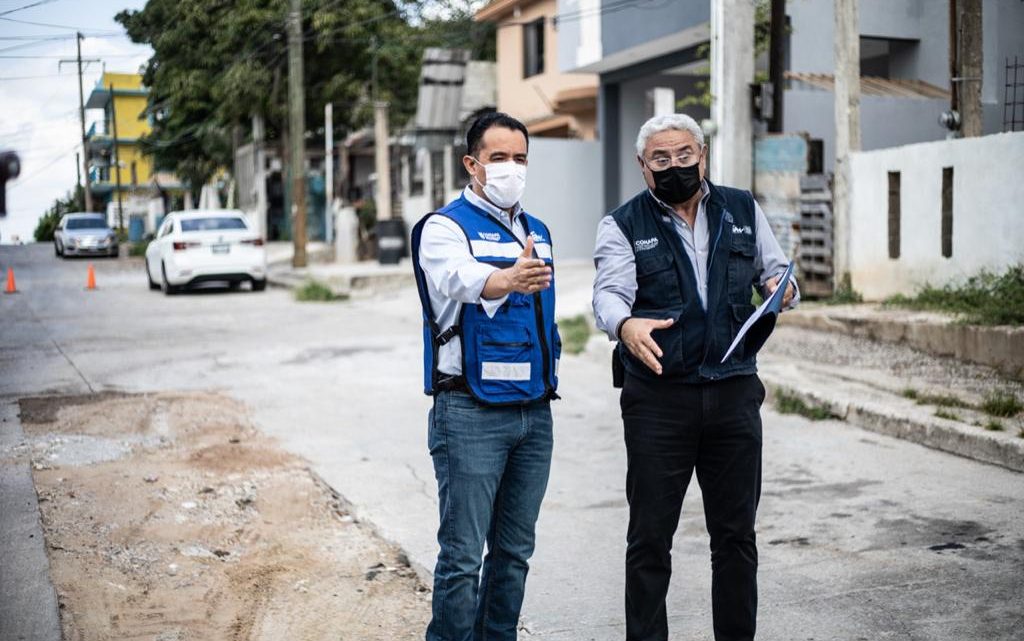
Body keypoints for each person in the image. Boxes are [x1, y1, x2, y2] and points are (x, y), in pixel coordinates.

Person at [592, 113, 798, 641]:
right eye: (661, 159)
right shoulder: (622, 224)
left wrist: (781, 287)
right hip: (659, 401)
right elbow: (608, 294)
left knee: (735, 538)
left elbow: (772, 270)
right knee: (649, 540)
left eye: (685, 155)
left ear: (703, 155)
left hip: (733, 393)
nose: (675, 166)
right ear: (644, 167)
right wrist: (625, 322)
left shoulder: (742, 209)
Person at [411, 112, 562, 641]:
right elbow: (458, 276)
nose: (511, 169)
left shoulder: (537, 230)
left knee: (514, 554)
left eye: (520, 158)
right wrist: (505, 278)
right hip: (468, 411)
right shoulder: (443, 227)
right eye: (499, 158)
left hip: (533, 411)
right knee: (461, 558)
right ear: (472, 164)